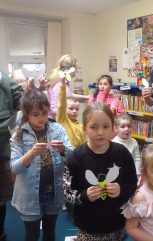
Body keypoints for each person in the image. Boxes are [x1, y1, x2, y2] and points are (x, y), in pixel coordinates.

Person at [63, 102, 137, 241]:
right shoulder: (76, 157)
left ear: (113, 128)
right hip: (87, 225)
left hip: (116, 224)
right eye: (93, 127)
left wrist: (121, 190)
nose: (100, 132)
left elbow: (132, 183)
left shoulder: (122, 153)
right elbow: (67, 192)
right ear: (84, 128)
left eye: (105, 126)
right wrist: (84, 196)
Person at [10, 89, 73, 241]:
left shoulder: (57, 129)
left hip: (54, 193)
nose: (41, 118)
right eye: (35, 114)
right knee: (31, 235)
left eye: (44, 113)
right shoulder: (19, 135)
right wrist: (30, 154)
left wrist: (63, 148)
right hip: (30, 196)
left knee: (50, 232)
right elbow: (14, 167)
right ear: (27, 114)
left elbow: (73, 155)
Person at [0, 71, 24, 241]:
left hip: (1, 149)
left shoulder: (3, 79)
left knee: (0, 199)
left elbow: (21, 98)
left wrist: (33, 93)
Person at [47, 54, 89, 121]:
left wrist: (86, 97)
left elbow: (69, 95)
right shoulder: (59, 85)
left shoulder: (64, 84)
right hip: (56, 121)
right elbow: (54, 110)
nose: (76, 73)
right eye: (75, 70)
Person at [56, 76, 85, 148]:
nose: (74, 111)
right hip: (66, 156)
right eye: (71, 109)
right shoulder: (63, 120)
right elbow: (61, 105)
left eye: (77, 109)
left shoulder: (81, 125)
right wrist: (63, 86)